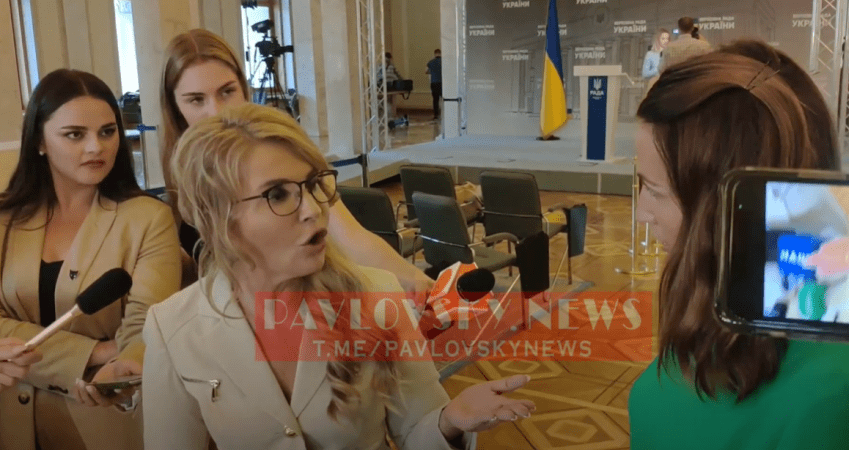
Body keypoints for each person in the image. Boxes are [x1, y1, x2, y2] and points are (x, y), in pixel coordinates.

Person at [142, 102, 535, 449]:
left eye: (313, 185)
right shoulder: (172, 328)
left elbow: (417, 430)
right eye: (278, 194)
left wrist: (450, 421)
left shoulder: (376, 295)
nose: (313, 209)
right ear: (217, 216)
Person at [628, 40, 849, 449]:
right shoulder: (715, 311)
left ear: (721, 209)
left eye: (656, 191)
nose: (642, 213)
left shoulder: (841, 403)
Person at [160, 29, 434, 299]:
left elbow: (351, 238)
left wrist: (416, 281)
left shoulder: (282, 155)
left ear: (243, 89)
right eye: (196, 100)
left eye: (227, 92)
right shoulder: (177, 175)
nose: (216, 111)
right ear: (175, 107)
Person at [0, 69, 182, 450]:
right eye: (75, 134)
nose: (96, 147)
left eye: (107, 131)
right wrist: (94, 352)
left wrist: (124, 362)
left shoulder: (148, 218)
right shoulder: (5, 220)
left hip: (103, 423)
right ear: (39, 141)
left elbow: (147, 327)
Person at [426, 49, 443, 119]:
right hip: (442, 83)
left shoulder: (430, 62)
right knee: (444, 99)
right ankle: (445, 113)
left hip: (434, 83)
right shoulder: (443, 61)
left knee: (435, 100)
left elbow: (426, 71)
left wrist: (433, 72)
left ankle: (436, 115)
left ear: (435, 53)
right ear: (440, 53)